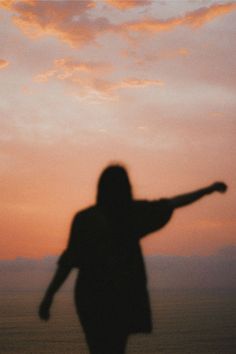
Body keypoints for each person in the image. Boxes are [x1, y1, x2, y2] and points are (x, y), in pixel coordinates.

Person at [39, 165, 227, 354]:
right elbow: (174, 202)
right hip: (122, 294)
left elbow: (68, 262)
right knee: (116, 347)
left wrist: (49, 296)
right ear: (127, 187)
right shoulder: (133, 214)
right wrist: (208, 190)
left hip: (90, 296)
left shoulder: (84, 218)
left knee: (97, 347)